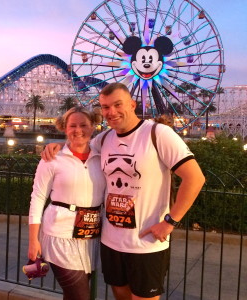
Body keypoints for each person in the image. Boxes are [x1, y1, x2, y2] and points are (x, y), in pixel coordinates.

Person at [42, 82, 205, 300]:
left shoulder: (158, 134)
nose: (111, 112)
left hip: (145, 243)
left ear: (132, 104)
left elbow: (195, 178)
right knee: (120, 296)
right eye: (105, 107)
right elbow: (77, 145)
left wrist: (170, 222)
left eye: (117, 105)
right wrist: (56, 147)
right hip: (111, 241)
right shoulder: (104, 139)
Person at [28, 106, 106, 300]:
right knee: (80, 295)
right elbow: (37, 197)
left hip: (89, 234)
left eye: (83, 125)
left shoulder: (102, 155)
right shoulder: (52, 159)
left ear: (93, 127)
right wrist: (33, 240)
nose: (78, 130)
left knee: (72, 295)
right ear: (64, 128)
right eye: (72, 125)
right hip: (59, 234)